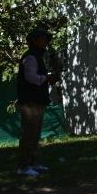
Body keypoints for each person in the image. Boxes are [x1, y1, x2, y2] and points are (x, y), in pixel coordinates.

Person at [16, 25, 58, 177]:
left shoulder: (38, 56)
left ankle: (32, 162)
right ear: (34, 41)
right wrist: (47, 77)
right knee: (29, 134)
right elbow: (31, 78)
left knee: (35, 133)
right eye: (43, 39)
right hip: (29, 101)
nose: (46, 42)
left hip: (37, 100)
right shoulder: (31, 57)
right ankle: (23, 165)